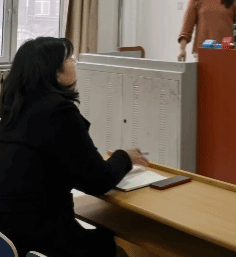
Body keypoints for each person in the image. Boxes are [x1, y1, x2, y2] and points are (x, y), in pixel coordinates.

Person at [0, 36, 149, 257]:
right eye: (69, 59)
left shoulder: (13, 108)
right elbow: (99, 181)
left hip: (8, 234)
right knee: (117, 245)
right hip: (42, 239)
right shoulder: (59, 112)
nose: (74, 62)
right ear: (55, 73)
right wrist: (125, 156)